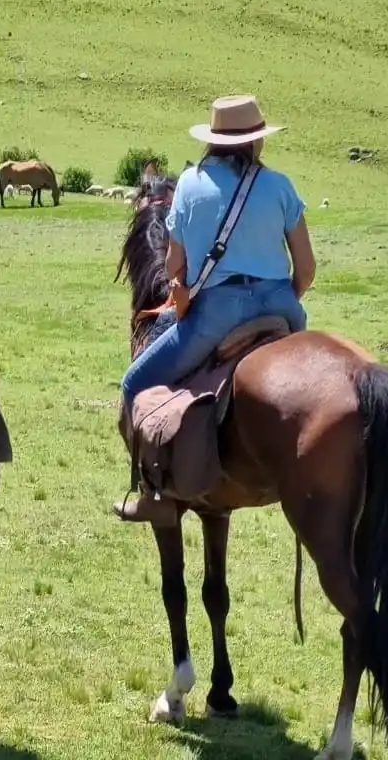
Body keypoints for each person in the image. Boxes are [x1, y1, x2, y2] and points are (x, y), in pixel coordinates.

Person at [113, 94, 317, 523]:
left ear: (215, 140)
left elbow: (175, 268)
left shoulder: (190, 185)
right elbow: (307, 268)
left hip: (217, 314)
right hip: (282, 307)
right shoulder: (280, 185)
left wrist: (189, 299)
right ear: (256, 141)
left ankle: (152, 493)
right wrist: (278, 302)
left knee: (133, 384)